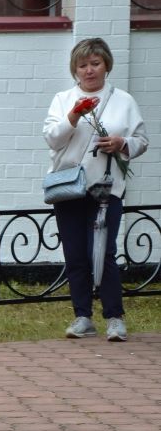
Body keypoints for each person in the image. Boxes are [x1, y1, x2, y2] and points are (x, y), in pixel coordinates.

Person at [43, 38, 149, 342]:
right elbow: (52, 138)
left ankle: (114, 318)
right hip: (68, 187)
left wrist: (122, 144)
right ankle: (83, 317)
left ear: (106, 65)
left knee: (103, 252)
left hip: (106, 188)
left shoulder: (123, 100)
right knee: (75, 253)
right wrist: (74, 115)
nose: (89, 70)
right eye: (83, 64)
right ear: (75, 69)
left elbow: (141, 140)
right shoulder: (63, 99)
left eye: (95, 63)